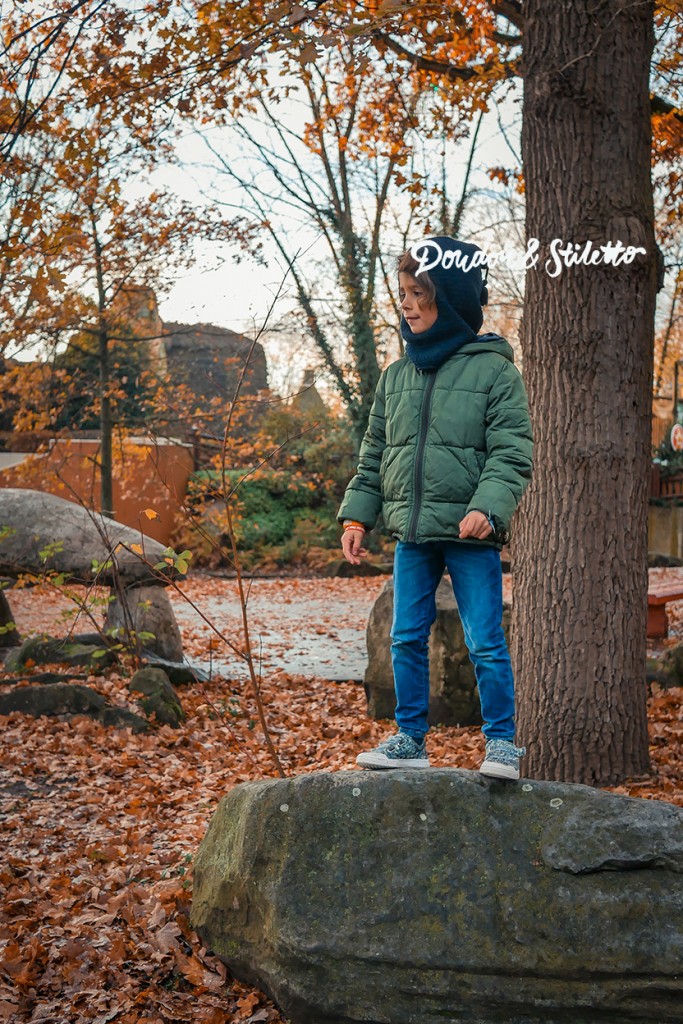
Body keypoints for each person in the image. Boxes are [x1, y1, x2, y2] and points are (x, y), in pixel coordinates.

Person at [337, 236, 534, 780]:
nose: (405, 304)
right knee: (405, 635)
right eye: (402, 293)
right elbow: (375, 452)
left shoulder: (495, 372)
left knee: (485, 640)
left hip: (470, 535)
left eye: (417, 293)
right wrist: (358, 516)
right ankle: (409, 738)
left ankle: (500, 745)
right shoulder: (397, 377)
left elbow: (511, 451)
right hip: (413, 534)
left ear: (447, 300)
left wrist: (488, 509)